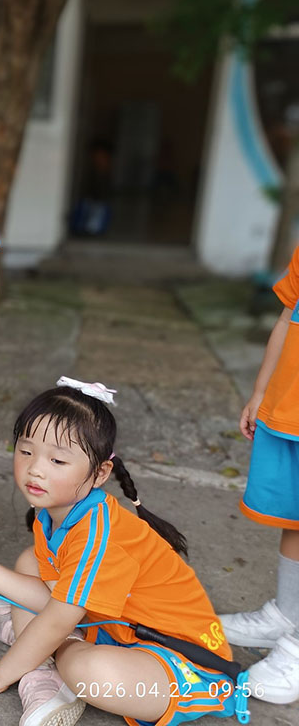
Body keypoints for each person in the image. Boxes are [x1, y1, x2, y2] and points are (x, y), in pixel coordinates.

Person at [0, 381, 239, 726]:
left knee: (86, 670)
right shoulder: (55, 514)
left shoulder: (97, 535)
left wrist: (0, 674)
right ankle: (39, 659)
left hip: (183, 663)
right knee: (31, 561)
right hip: (114, 629)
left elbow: (60, 614)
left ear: (100, 473)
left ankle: (43, 660)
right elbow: (59, 599)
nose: (36, 469)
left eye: (57, 460)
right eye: (26, 451)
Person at [219, 243, 299, 706]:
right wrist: (261, 390)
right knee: (294, 517)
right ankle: (287, 615)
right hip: (290, 411)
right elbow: (288, 318)